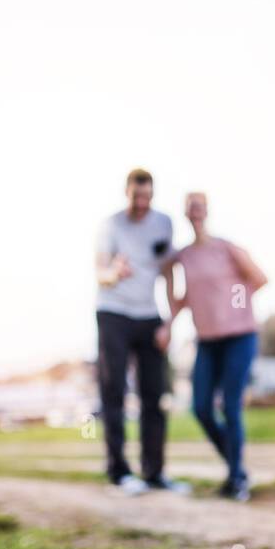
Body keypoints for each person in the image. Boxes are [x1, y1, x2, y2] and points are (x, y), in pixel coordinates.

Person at [164, 192, 267, 501]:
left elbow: (260, 279)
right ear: (185, 214)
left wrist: (232, 299)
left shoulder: (227, 248)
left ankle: (236, 479)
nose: (195, 212)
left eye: (199, 207)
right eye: (190, 208)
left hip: (239, 336)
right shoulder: (184, 255)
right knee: (201, 408)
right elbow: (181, 292)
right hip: (207, 341)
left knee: (230, 405)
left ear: (206, 211)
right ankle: (237, 467)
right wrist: (167, 323)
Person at [94, 167, 190, 496]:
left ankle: (154, 472)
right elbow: (100, 273)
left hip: (149, 314)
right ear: (126, 193)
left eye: (147, 196)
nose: (142, 203)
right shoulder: (111, 225)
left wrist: (168, 322)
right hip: (113, 313)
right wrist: (114, 273)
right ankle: (119, 471)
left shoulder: (163, 223)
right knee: (114, 392)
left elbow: (167, 272)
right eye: (136, 197)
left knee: (154, 394)